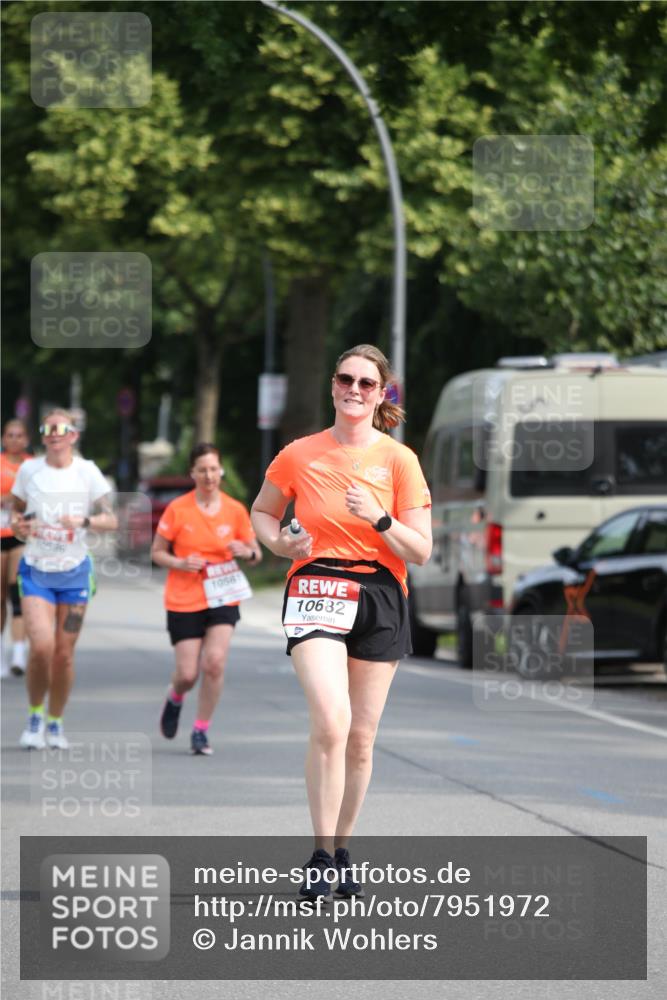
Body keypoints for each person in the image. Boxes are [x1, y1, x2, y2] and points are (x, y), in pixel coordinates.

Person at [251, 344, 432, 901]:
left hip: (379, 591)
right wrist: (282, 541)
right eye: (346, 379)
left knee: (360, 738)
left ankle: (344, 850)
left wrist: (378, 518)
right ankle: (319, 853)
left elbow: (421, 551)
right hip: (317, 585)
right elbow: (262, 511)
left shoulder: (399, 460)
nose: (355, 390)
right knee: (331, 720)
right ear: (333, 386)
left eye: (367, 384)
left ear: (382, 396)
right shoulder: (298, 454)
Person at [11, 408, 117, 750]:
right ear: (43, 436)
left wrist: (84, 521)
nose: (54, 433)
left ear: (73, 435)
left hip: (73, 573)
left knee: (64, 655)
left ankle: (55, 722)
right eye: (48, 428)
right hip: (36, 569)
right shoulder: (30, 470)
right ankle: (34, 715)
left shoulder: (87, 472)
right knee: (41, 647)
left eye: (61, 428)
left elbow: (111, 520)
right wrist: (18, 525)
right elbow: (15, 511)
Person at [152, 443, 262, 756]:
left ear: (221, 471)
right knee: (188, 674)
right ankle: (175, 696)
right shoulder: (178, 509)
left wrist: (247, 552)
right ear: (193, 473)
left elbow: (255, 552)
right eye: (202, 469)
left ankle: (201, 729)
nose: (209, 475)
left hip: (223, 594)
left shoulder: (235, 509)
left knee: (214, 663)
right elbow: (157, 552)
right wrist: (179, 563)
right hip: (184, 596)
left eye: (214, 468)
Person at [1, 419, 30, 678]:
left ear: (26, 439)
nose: (14, 439)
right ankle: (1, 654)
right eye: (10, 435)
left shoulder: (32, 466)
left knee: (16, 592)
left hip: (20, 535)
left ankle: (19, 654)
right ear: (3, 438)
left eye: (19, 435)